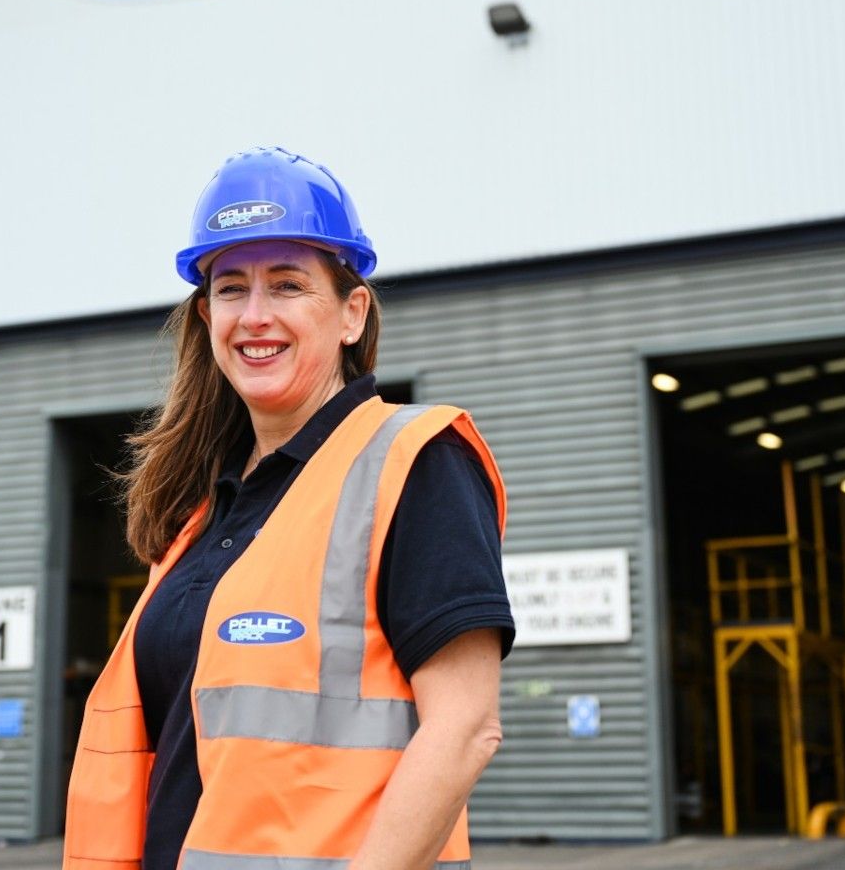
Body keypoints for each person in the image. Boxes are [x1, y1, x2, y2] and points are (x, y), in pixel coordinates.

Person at [64, 147, 513, 870]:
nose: (256, 315)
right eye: (232, 289)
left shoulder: (414, 461)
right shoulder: (200, 513)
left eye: (287, 284)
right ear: (207, 317)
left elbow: (465, 728)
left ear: (350, 313)